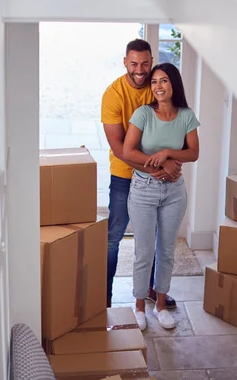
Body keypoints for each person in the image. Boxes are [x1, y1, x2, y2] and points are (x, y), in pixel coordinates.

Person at [101, 39, 181, 310]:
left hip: (157, 177)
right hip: (125, 176)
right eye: (134, 63)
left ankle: (152, 290)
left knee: (159, 235)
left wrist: (171, 159)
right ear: (125, 62)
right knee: (114, 237)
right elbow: (120, 149)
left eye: (145, 63)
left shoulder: (157, 86)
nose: (140, 69)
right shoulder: (113, 95)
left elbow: (174, 124)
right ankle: (104, 301)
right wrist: (160, 166)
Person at [123, 62, 200, 330]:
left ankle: (160, 306)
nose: (158, 86)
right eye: (154, 81)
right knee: (144, 252)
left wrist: (168, 153)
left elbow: (193, 152)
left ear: (173, 84)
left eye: (164, 80)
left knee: (167, 252)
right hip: (143, 190)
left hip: (174, 192)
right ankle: (140, 307)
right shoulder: (143, 114)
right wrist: (157, 166)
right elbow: (128, 152)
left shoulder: (186, 115)